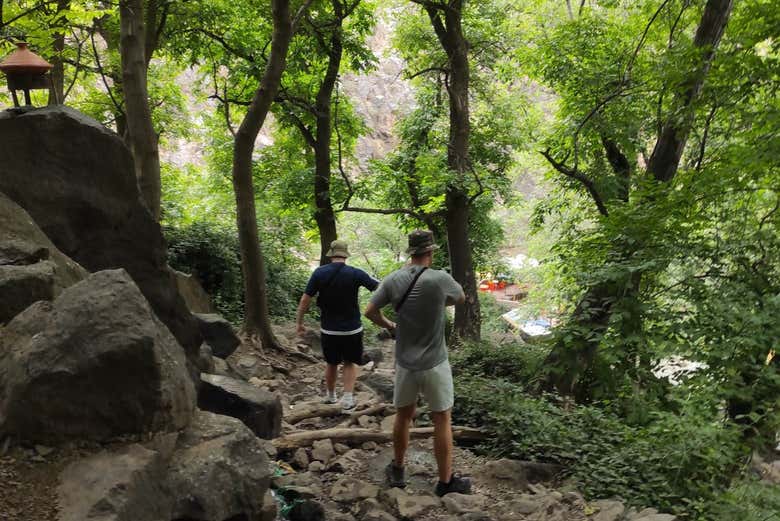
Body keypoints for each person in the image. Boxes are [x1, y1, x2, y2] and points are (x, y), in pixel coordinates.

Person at [364, 230, 472, 497]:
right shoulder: (440, 279)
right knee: (442, 420)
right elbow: (460, 298)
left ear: (410, 253)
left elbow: (369, 311)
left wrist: (390, 325)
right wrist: (436, 303)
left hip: (405, 364)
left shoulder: (393, 279)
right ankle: (445, 482)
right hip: (435, 363)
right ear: (431, 253)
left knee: (403, 416)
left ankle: (399, 470)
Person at [296, 239, 379, 411]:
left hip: (329, 330)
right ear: (345, 255)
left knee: (331, 363)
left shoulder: (319, 273)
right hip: (352, 329)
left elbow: (305, 299)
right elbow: (380, 287)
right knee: (349, 363)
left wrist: (300, 322)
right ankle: (348, 399)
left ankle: (331, 396)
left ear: (332, 255)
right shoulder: (356, 273)